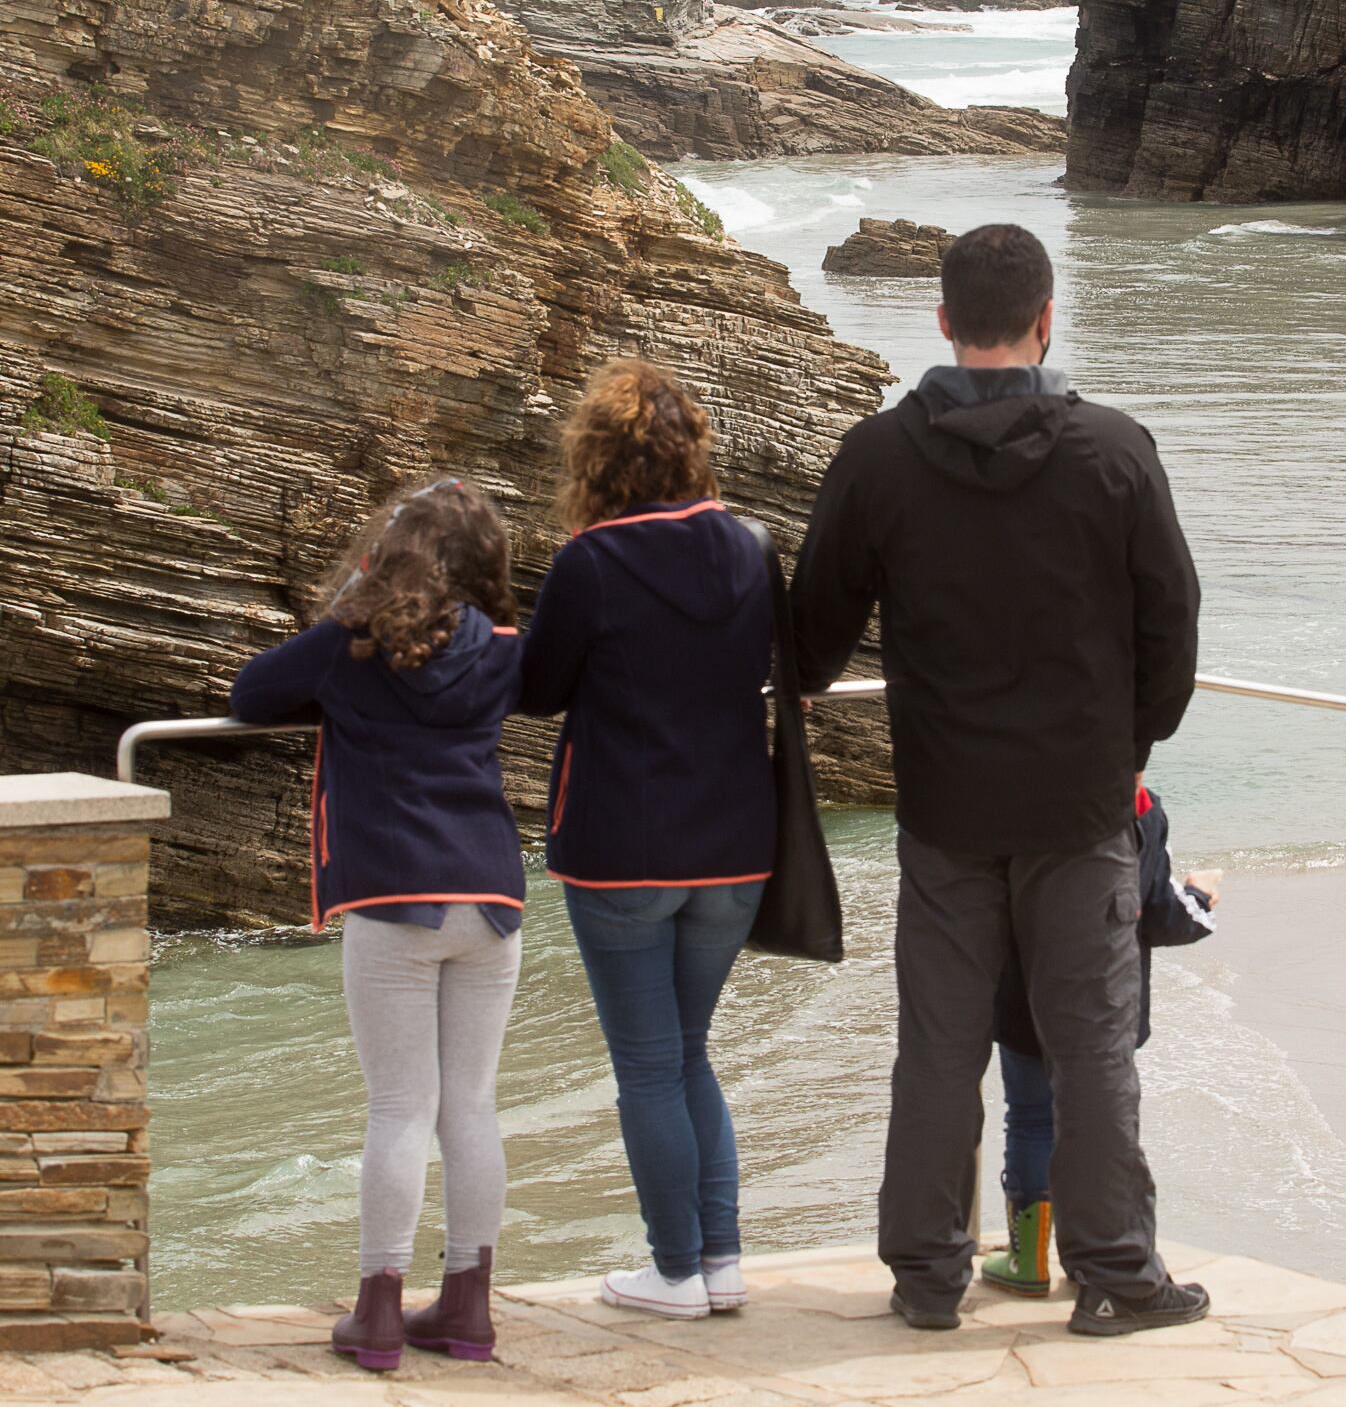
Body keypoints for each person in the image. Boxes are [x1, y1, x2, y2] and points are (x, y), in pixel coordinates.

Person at [790, 221, 1209, 1338]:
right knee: (1091, 1045)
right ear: (1046, 315)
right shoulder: (1115, 450)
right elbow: (1173, 628)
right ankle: (1115, 1269)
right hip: (1080, 804)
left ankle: (930, 1275)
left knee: (938, 1045)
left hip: (943, 805)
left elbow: (813, 634)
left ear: (941, 321)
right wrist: (1131, 747)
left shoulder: (878, 456)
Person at [230, 478, 526, 1371]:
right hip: (493, 898)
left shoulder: (345, 649)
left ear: (383, 556)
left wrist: (351, 605)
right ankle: (468, 1306)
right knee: (470, 1103)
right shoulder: (504, 648)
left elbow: (249, 694)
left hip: (396, 898)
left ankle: (380, 1310)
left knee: (401, 1105)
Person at [520, 357, 776, 1323]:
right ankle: (720, 1261)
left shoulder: (591, 561)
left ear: (598, 455)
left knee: (647, 1067)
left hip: (623, 845)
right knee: (689, 1055)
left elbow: (539, 689)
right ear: (691, 446)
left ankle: (674, 1271)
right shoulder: (751, 547)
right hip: (737, 845)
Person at [980, 783, 1217, 1297]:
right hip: (1105, 1001)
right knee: (1095, 1118)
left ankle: (1027, 1260)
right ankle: (1099, 1253)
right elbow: (1159, 913)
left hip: (1021, 991)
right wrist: (1200, 896)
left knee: (1027, 1117)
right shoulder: (1139, 804)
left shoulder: (1006, 796)